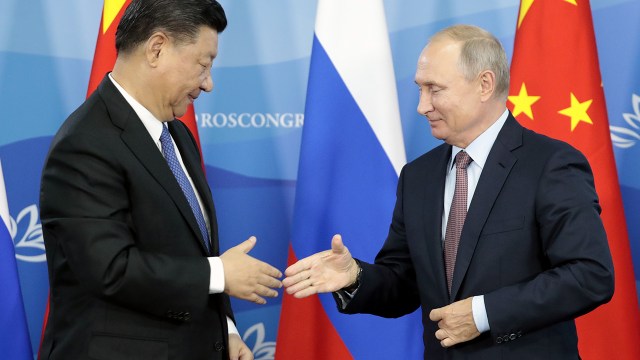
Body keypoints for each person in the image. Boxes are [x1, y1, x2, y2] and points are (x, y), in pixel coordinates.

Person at [283, 24, 614, 359]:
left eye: (435, 89)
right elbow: (403, 283)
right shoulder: (418, 176)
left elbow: (590, 274)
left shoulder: (549, 164)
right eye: (420, 90)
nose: (422, 106)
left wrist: (483, 314)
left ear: (485, 85)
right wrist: (355, 276)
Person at [39, 1, 282, 359]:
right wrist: (220, 274)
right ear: (157, 49)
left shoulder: (177, 137)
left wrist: (224, 330)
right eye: (204, 65)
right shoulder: (84, 144)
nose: (209, 83)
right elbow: (110, 269)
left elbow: (193, 251)